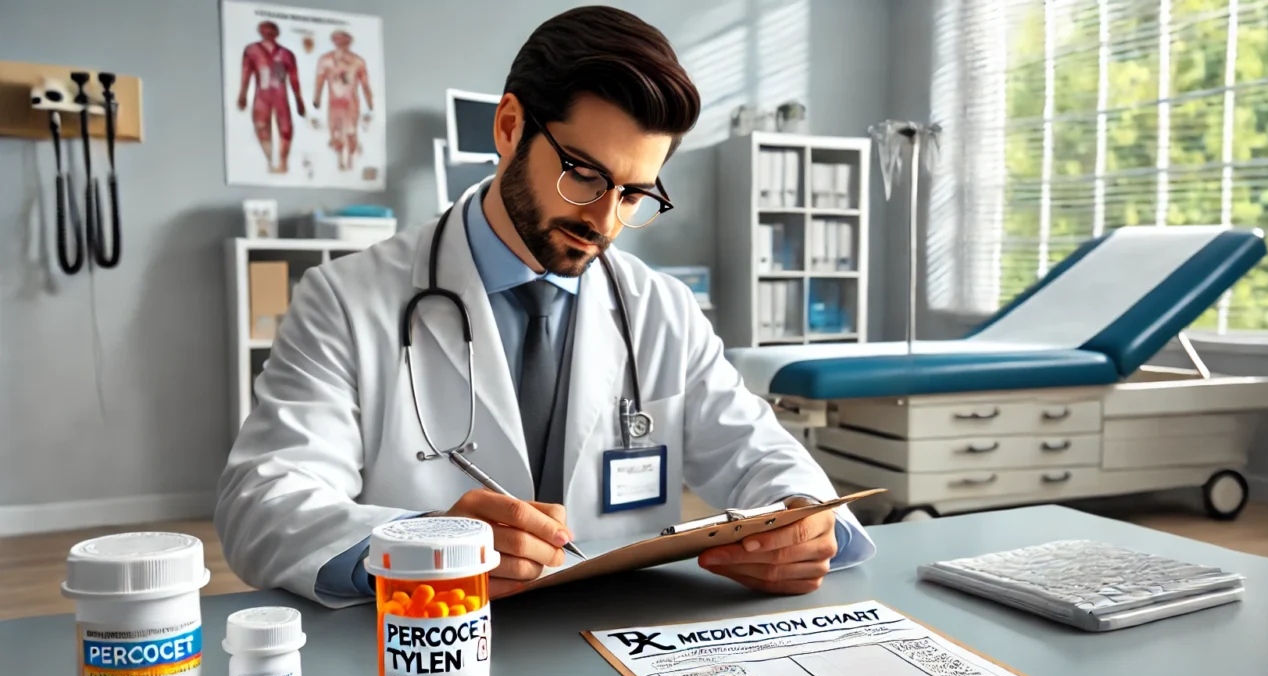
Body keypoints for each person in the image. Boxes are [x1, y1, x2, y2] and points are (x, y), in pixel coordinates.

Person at [215, 6, 875, 608]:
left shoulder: (661, 309)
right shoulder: (348, 300)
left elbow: (761, 457)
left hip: (617, 655)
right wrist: (424, 549)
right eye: (584, 175)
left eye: (633, 194)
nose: (604, 220)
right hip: (427, 656)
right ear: (509, 127)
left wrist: (806, 527)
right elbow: (262, 506)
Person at [237, 20, 306, 174]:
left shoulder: (287, 54)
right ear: (260, 31)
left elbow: (294, 79)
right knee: (261, 126)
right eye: (264, 30)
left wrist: (299, 101)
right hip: (262, 95)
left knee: (286, 128)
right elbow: (246, 73)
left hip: (280, 95)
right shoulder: (252, 50)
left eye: (271, 30)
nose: (267, 33)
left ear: (277, 33)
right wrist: (242, 94)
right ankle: (269, 160)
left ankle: (283, 162)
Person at [313, 29, 373, 171]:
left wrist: (370, 102)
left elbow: (365, 84)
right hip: (334, 103)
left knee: (350, 131)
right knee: (336, 132)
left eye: (343, 40)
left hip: (350, 102)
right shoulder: (325, 60)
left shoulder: (358, 61)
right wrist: (317, 98)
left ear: (349, 42)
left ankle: (350, 161)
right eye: (337, 40)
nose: (339, 43)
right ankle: (341, 162)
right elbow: (320, 80)